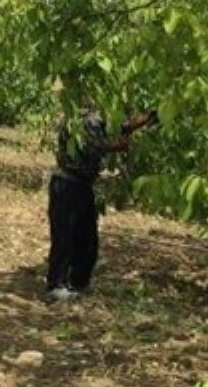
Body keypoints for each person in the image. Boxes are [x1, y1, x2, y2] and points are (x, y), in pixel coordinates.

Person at [45, 106, 154, 301]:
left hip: (82, 185)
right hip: (67, 184)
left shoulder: (98, 118)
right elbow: (99, 145)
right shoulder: (85, 119)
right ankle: (56, 285)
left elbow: (123, 126)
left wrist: (149, 117)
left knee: (87, 239)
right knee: (64, 236)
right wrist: (122, 142)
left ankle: (77, 283)